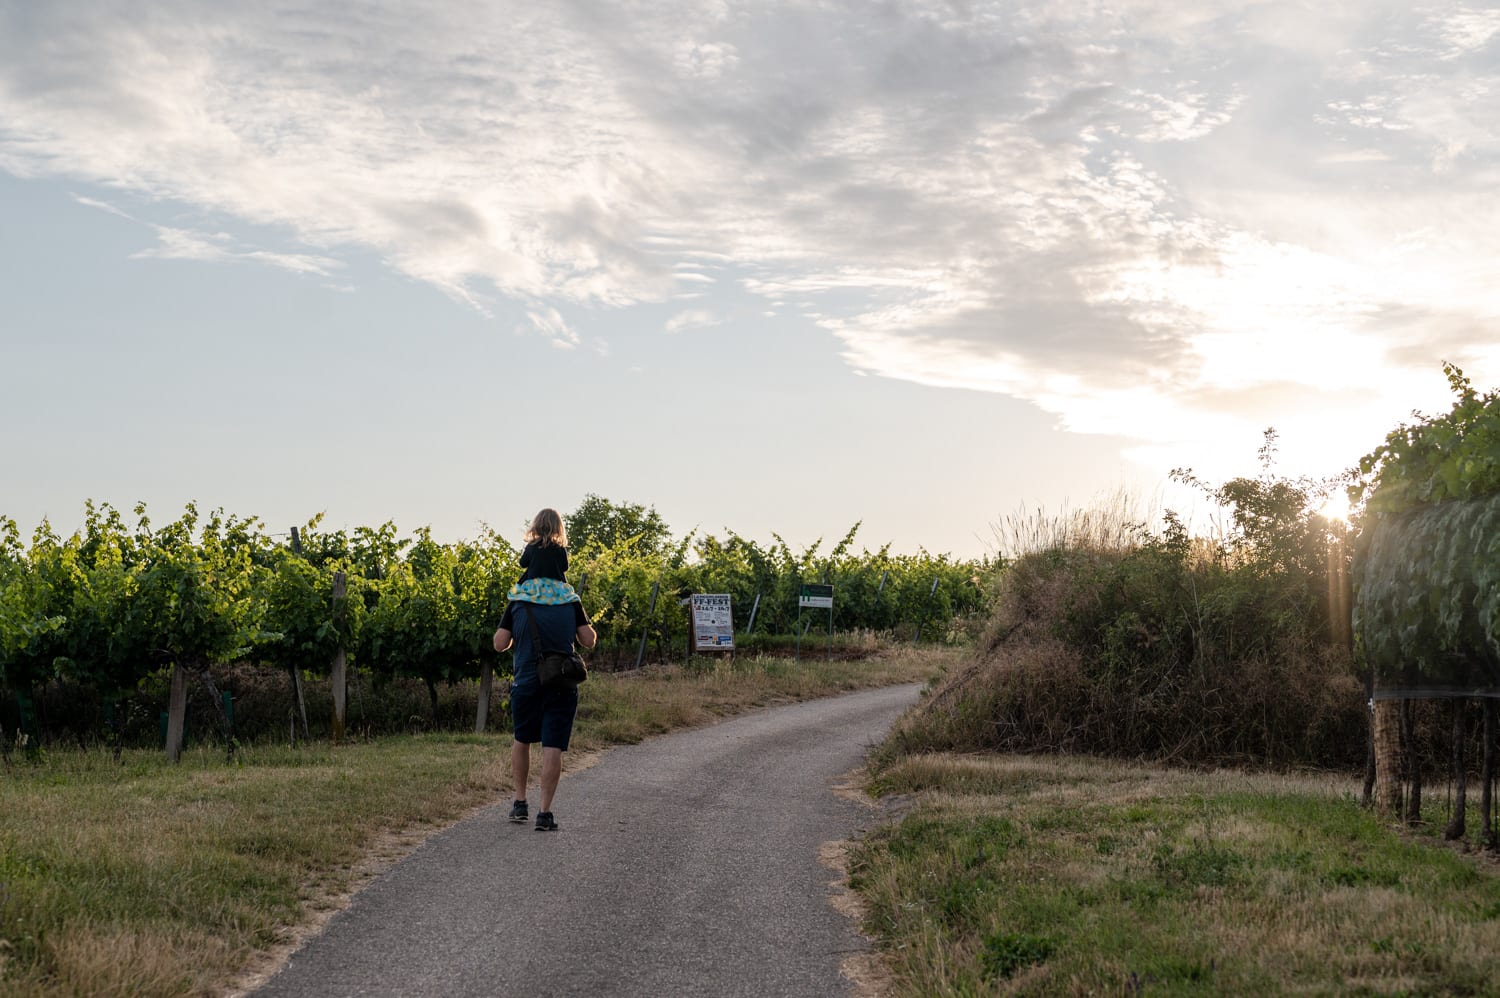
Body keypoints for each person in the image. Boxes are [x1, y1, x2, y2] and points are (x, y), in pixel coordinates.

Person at [493, 594, 596, 831]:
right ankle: (544, 813)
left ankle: (520, 803)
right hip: (561, 682)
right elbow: (588, 640)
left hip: (526, 682)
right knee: (553, 746)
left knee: (522, 739)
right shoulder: (570, 600)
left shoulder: (518, 600)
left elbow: (500, 644)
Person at [510, 508, 578, 607]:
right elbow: (565, 567)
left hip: (534, 587)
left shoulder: (532, 546)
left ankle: (504, 622)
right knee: (576, 604)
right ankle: (584, 621)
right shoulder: (559, 548)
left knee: (512, 601)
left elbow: (522, 563)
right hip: (556, 587)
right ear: (558, 527)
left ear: (537, 525)